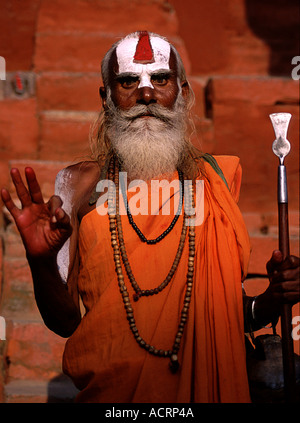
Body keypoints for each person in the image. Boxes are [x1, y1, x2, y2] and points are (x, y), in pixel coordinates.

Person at [1, 31, 299, 403]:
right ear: (107, 97)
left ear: (183, 93)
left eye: (160, 79)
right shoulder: (77, 185)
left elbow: (224, 316)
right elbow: (64, 323)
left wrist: (272, 299)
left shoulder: (214, 181)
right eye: (128, 82)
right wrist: (41, 262)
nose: (146, 94)